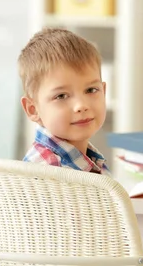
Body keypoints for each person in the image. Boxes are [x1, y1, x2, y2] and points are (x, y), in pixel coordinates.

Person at [19, 27, 109, 174]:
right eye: (61, 96)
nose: (81, 105)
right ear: (33, 109)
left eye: (91, 90)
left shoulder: (88, 160)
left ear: (103, 92)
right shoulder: (50, 173)